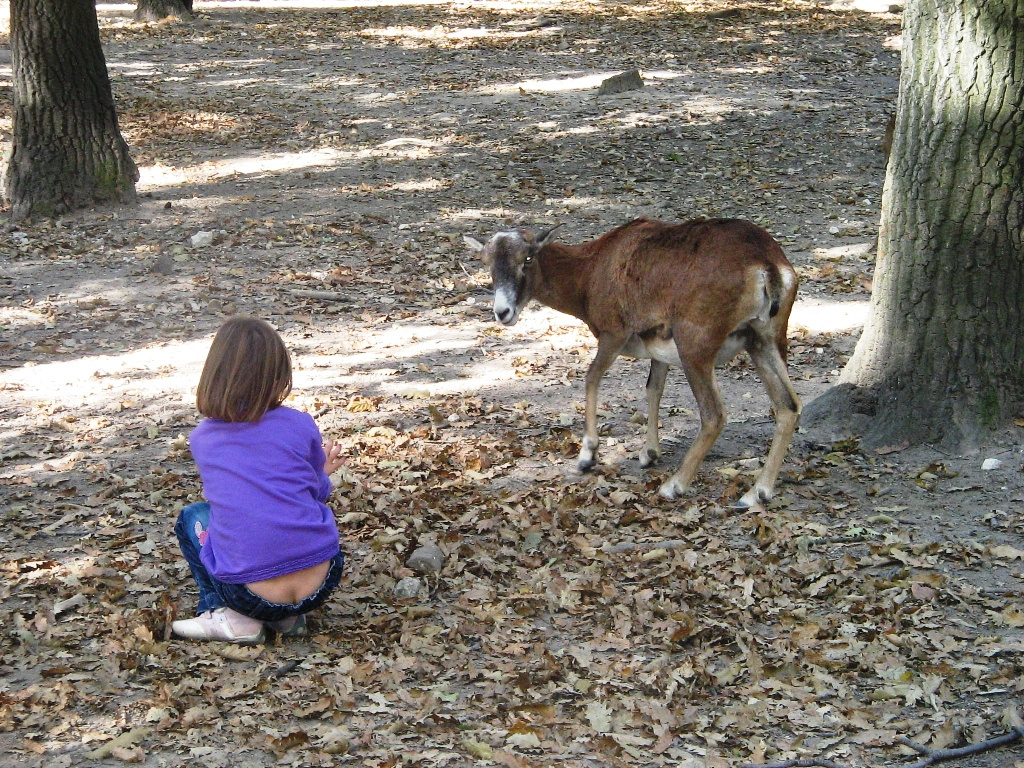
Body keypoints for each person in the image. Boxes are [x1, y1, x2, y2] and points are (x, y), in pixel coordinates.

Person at [171, 315, 346, 644]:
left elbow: (236, 499)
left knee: (193, 517)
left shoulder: (203, 439)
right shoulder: (300, 424)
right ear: (278, 374)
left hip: (248, 592)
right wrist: (320, 475)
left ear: (214, 375)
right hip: (323, 580)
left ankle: (230, 615)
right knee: (292, 519)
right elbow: (313, 494)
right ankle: (289, 618)